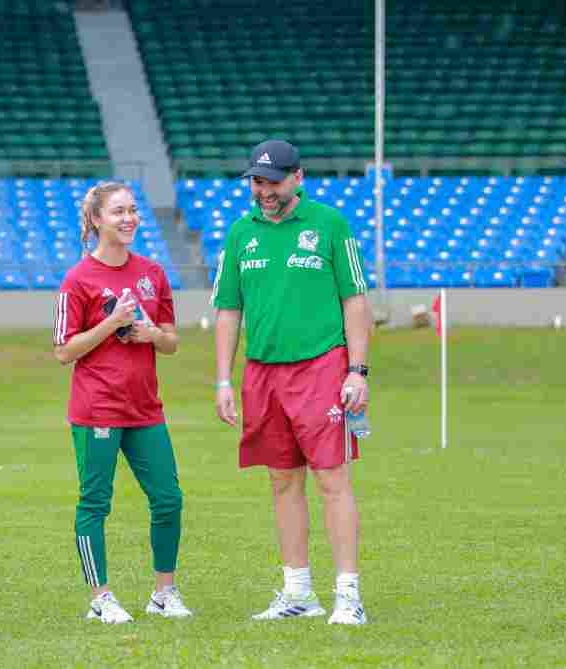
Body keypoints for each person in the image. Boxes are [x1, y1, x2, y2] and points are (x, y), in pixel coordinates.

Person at [212, 139, 373, 625]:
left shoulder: (330, 225)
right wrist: (223, 379)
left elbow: (356, 302)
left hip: (322, 367)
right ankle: (298, 592)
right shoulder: (241, 233)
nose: (263, 191)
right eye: (257, 182)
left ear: (298, 178)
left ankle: (348, 596)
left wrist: (358, 370)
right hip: (262, 372)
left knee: (332, 478)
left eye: (273, 181)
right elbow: (228, 310)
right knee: (282, 480)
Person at [53, 181, 191, 624]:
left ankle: (164, 593)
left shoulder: (152, 273)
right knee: (95, 503)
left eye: (133, 210)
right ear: (96, 220)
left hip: (145, 408)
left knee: (168, 499)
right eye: (118, 212)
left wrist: (151, 335)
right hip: (97, 408)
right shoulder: (78, 279)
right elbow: (63, 350)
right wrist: (110, 323)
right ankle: (101, 597)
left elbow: (170, 342)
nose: (129, 218)